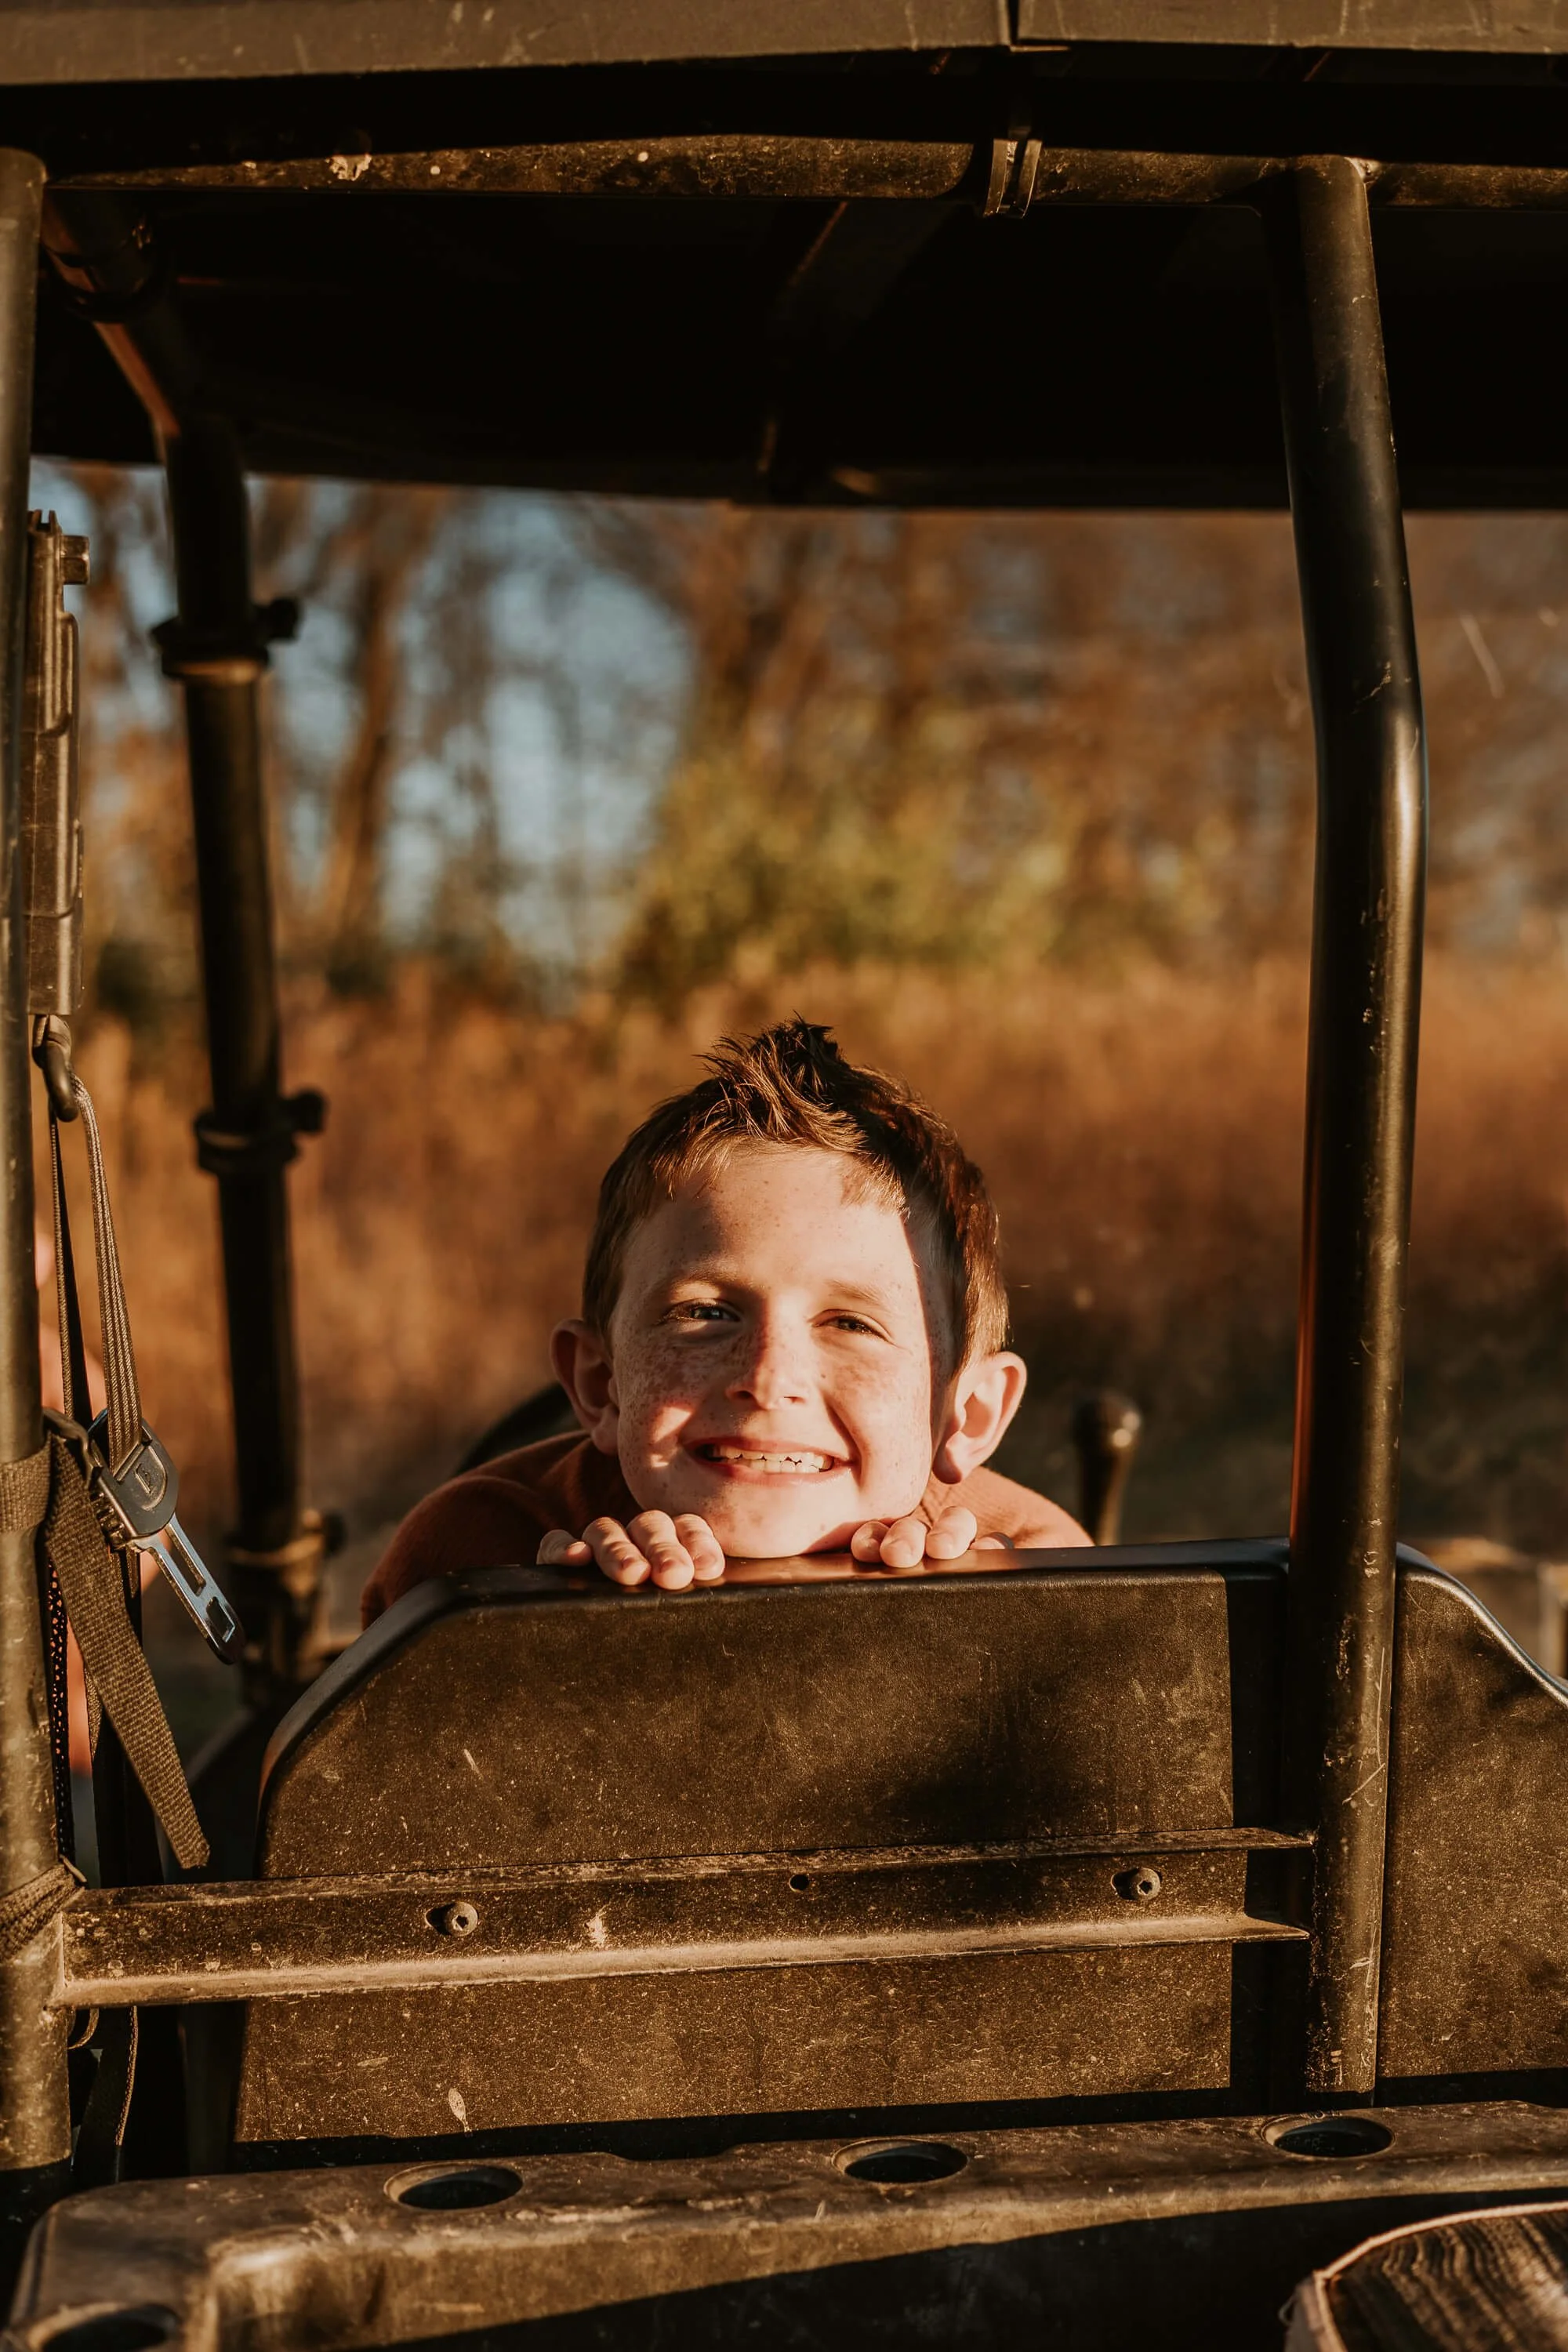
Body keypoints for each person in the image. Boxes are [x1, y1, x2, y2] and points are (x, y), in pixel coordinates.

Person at [361, 1019, 1087, 1626]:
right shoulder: (474, 1563)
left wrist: (976, 1635)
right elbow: (312, 1792)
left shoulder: (1033, 1569)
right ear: (600, 1384)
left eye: (851, 1324)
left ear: (969, 1414)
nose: (769, 1379)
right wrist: (562, 1642)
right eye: (705, 1313)